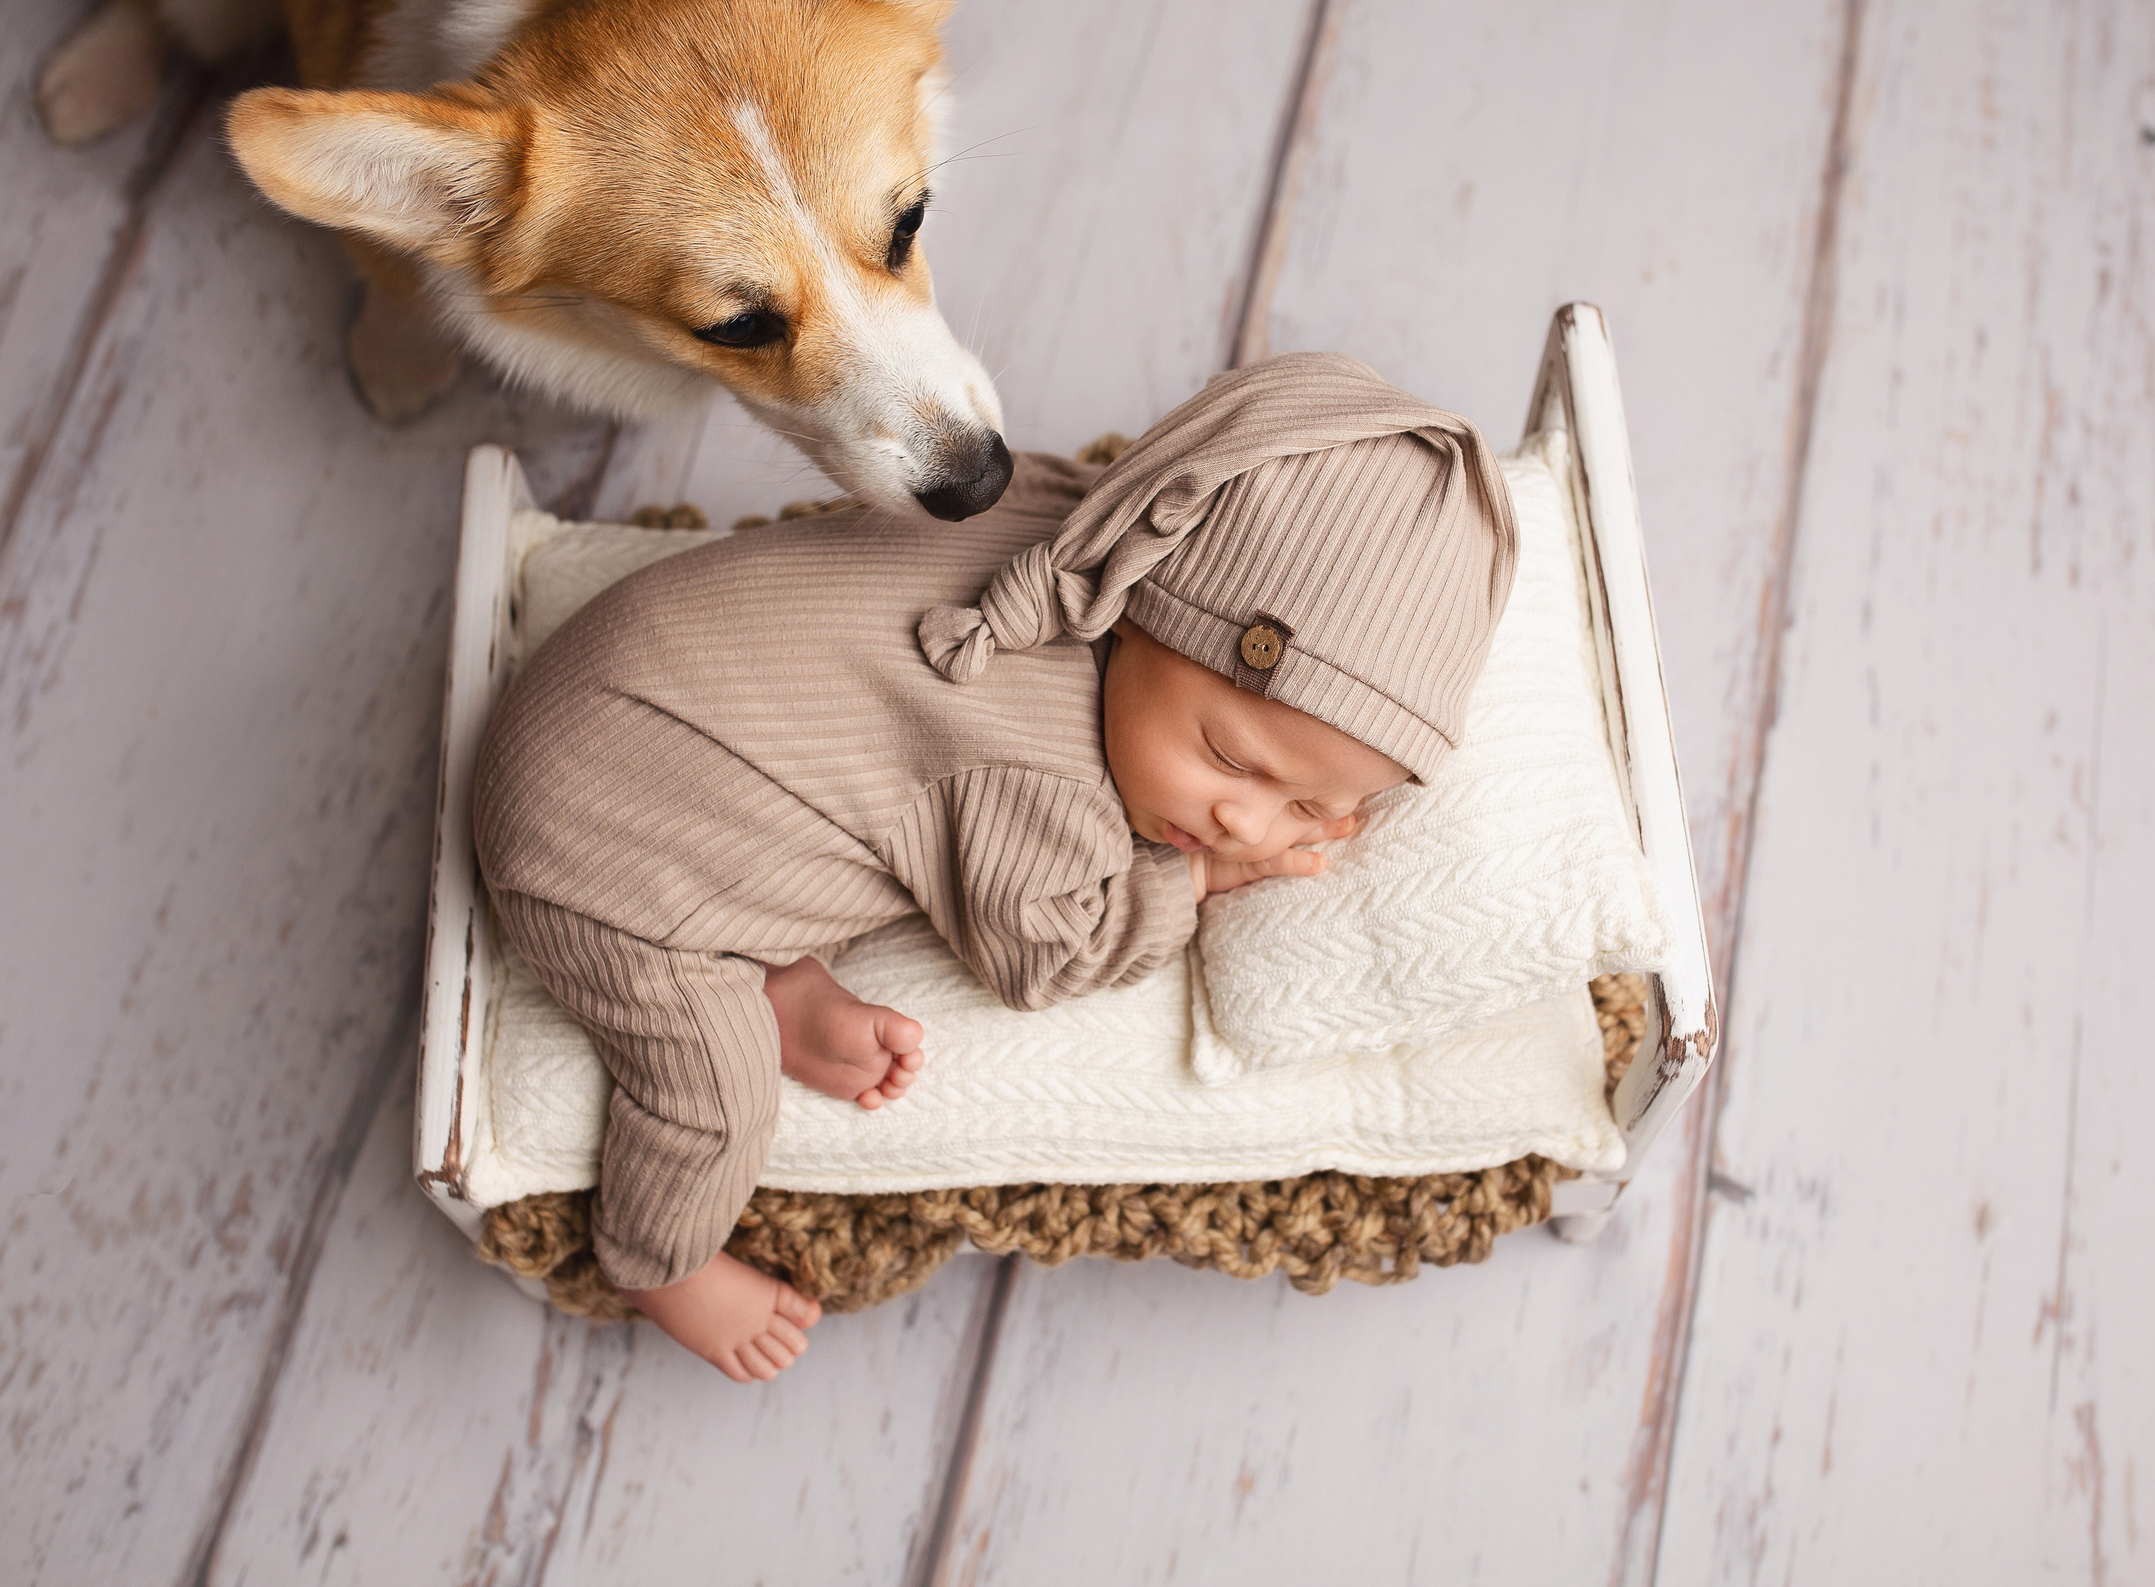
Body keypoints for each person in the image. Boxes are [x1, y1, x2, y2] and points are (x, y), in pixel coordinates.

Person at [472, 351, 1518, 1381]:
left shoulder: (1076, 514)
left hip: (616, 689)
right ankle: (659, 1258)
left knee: (838, 806)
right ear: (1147, 604)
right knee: (710, 1087)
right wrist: (1185, 885)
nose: (1245, 822)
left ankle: (778, 972)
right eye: (1229, 759)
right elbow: (1038, 955)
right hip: (591, 852)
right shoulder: (1047, 782)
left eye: (1310, 808)